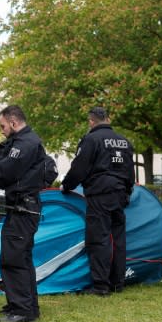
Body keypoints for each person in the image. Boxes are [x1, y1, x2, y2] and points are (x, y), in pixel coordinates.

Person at [0, 105, 49, 322]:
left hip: (23, 209)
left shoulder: (25, 143)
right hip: (21, 208)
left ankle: (23, 311)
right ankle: (26, 306)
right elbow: (5, 164)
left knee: (13, 259)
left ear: (14, 122)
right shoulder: (23, 142)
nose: (2, 130)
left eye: (3, 126)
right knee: (21, 259)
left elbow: (6, 173)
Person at [61, 107, 135, 296]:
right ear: (108, 119)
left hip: (100, 194)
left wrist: (67, 186)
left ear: (91, 122)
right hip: (119, 194)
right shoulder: (125, 142)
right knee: (118, 239)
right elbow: (129, 172)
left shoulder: (91, 140)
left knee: (98, 239)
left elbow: (79, 168)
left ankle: (101, 286)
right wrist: (126, 192)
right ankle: (118, 282)